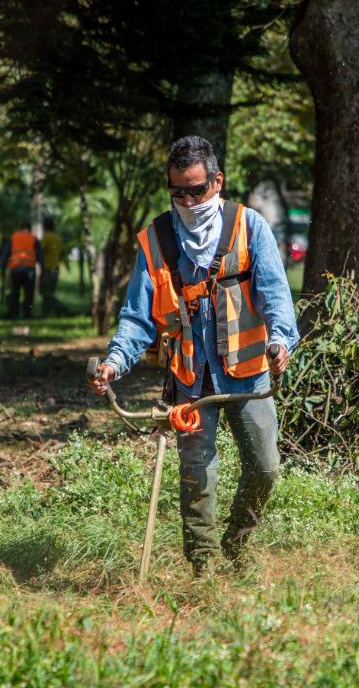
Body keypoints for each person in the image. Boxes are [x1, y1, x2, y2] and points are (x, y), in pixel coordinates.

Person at [88, 136, 299, 577]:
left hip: (248, 373)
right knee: (196, 478)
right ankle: (203, 569)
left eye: (196, 190)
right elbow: (136, 318)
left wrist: (280, 341)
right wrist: (113, 362)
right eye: (177, 191)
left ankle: (237, 542)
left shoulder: (249, 226)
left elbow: (277, 296)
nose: (187, 199)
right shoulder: (156, 240)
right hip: (190, 376)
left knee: (265, 467)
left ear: (216, 182)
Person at [0, 220, 41, 319]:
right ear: (29, 228)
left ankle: (14, 313)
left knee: (15, 292)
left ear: (20, 227)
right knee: (29, 293)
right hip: (29, 270)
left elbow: (5, 255)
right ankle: (27, 314)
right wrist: (42, 269)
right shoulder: (34, 239)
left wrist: (3, 269)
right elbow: (40, 256)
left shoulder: (13, 238)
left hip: (15, 270)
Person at [39, 216, 66, 315]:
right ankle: (46, 312)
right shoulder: (58, 238)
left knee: (44, 291)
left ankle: (60, 306)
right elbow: (63, 251)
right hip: (56, 267)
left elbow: (41, 249)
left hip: (48, 267)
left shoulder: (46, 237)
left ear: (44, 226)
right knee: (50, 291)